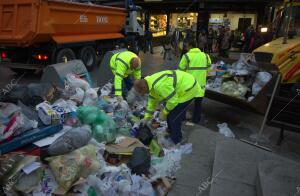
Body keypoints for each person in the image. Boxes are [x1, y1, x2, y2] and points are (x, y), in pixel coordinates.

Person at [134, 70, 201, 144]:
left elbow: (173, 101)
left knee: (174, 117)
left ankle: (176, 140)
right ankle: (170, 131)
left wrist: (164, 112)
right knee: (170, 112)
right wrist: (146, 118)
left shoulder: (160, 86)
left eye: (142, 92)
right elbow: (151, 103)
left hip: (189, 88)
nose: (143, 94)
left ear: (144, 87)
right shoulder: (150, 83)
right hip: (182, 85)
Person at [178, 38, 211, 124]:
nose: (185, 46)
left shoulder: (186, 56)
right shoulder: (205, 56)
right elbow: (208, 67)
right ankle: (196, 121)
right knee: (198, 105)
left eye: (185, 45)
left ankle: (182, 119)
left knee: (184, 103)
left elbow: (180, 72)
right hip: (200, 86)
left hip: (189, 86)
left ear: (189, 45)